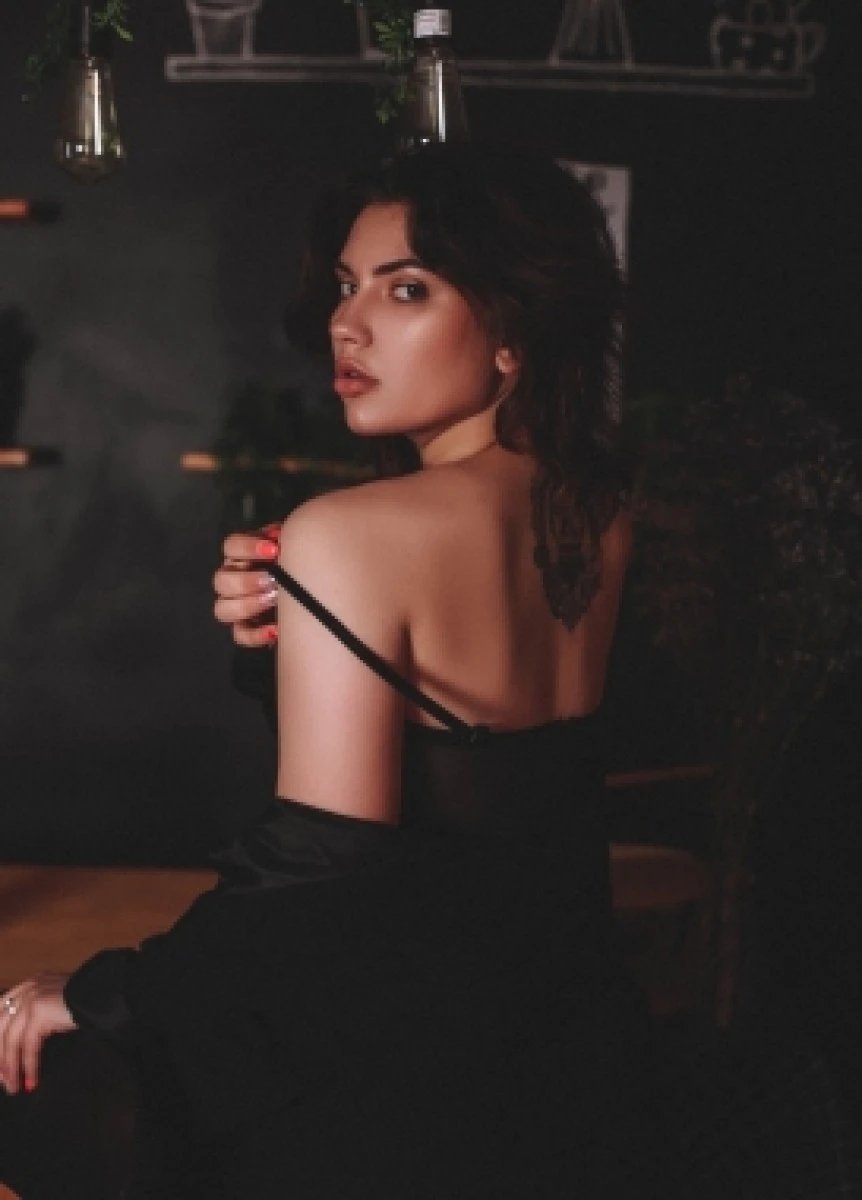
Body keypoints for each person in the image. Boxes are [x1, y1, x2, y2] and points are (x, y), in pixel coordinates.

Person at [6, 141, 850, 1199]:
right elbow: (504, 793)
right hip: (569, 1068)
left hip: (398, 1090)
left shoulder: (348, 534)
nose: (347, 324)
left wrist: (104, 994)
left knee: (48, 1091)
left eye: (406, 289)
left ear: (513, 332)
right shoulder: (595, 512)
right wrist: (293, 632)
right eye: (346, 285)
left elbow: (322, 874)